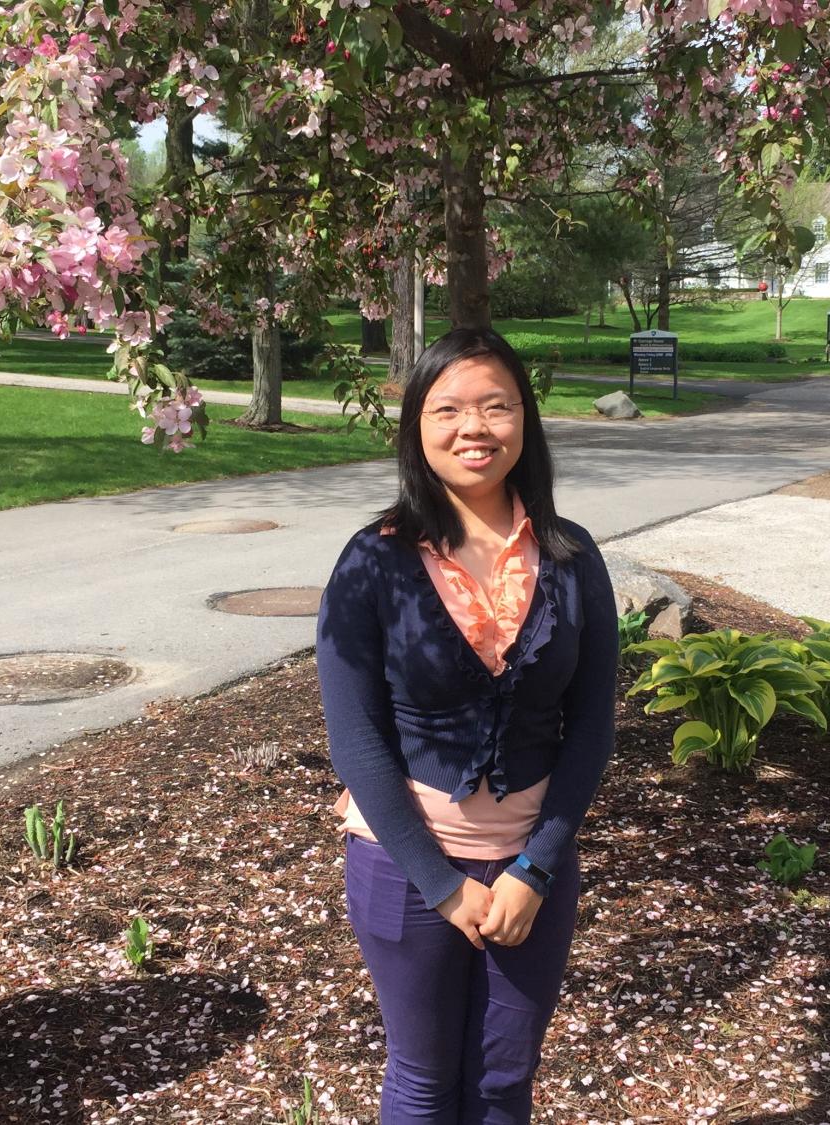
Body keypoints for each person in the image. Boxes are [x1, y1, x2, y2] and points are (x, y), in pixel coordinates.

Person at [316, 327, 618, 1124]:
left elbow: (592, 724)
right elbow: (355, 738)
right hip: (403, 865)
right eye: (448, 409)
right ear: (417, 425)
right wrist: (443, 885)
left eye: (496, 406)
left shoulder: (573, 557)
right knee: (422, 1082)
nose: (473, 427)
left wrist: (535, 869)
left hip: (531, 872)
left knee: (501, 1082)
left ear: (525, 419)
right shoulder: (371, 562)